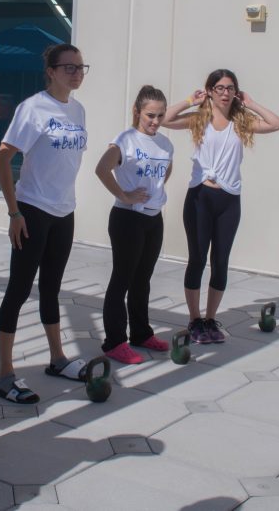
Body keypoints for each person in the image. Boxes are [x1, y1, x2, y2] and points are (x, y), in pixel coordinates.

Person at [0, 43, 89, 404]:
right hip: (32, 210)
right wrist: (14, 212)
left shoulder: (78, 110)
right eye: (69, 68)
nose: (77, 73)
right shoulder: (32, 109)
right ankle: (4, 375)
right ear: (50, 71)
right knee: (18, 290)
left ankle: (58, 359)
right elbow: (3, 159)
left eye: (81, 67)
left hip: (65, 211)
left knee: (52, 288)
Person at [162, 69, 279, 343]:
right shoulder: (198, 118)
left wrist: (250, 104)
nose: (225, 92)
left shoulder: (241, 122)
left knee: (220, 262)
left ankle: (209, 319)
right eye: (219, 88)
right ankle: (194, 320)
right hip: (200, 198)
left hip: (229, 199)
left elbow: (276, 124)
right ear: (210, 91)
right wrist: (189, 100)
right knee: (197, 259)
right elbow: (166, 120)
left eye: (230, 88)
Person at [94, 86, 174, 364]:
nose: (155, 121)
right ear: (137, 112)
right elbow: (102, 169)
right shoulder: (125, 140)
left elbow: (166, 170)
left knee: (143, 280)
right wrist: (124, 195)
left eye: (160, 115)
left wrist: (156, 193)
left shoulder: (165, 144)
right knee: (123, 279)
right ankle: (114, 341)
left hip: (154, 219)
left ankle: (141, 333)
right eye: (150, 115)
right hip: (127, 219)